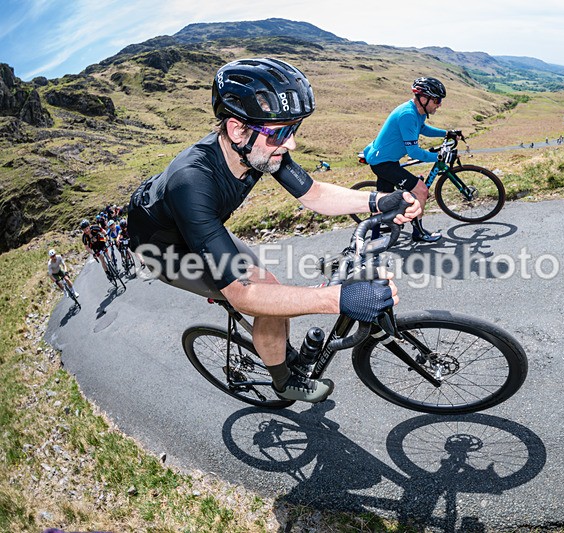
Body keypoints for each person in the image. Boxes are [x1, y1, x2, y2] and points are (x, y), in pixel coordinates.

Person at [127, 57, 421, 404]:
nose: (291, 143)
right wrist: (338, 298)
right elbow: (243, 294)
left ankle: (277, 350)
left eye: (293, 130)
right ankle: (283, 382)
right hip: (163, 253)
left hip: (199, 230)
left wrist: (378, 201)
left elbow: (315, 194)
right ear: (237, 130)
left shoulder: (259, 147)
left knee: (272, 290)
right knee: (264, 298)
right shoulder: (191, 181)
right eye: (282, 133)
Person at [362, 77, 459, 243]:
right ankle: (419, 233)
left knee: (383, 198)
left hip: (384, 158)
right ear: (423, 98)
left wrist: (446, 133)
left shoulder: (417, 112)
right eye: (436, 100)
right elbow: (414, 152)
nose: (439, 104)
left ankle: (376, 236)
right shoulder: (407, 114)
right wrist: (440, 157)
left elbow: (423, 128)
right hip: (383, 162)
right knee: (421, 190)